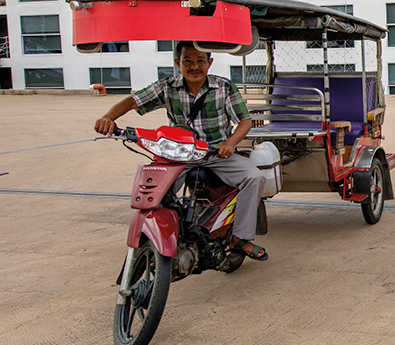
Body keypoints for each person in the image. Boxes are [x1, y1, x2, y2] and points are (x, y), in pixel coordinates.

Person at [94, 41, 268, 261]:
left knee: (254, 177)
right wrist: (108, 118)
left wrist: (230, 144)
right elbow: (133, 101)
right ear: (178, 63)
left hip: (215, 154)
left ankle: (240, 237)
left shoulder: (224, 87)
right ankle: (168, 233)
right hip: (179, 155)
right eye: (188, 61)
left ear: (209, 63)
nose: (194, 66)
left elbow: (244, 121)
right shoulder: (167, 86)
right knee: (156, 192)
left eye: (200, 61)